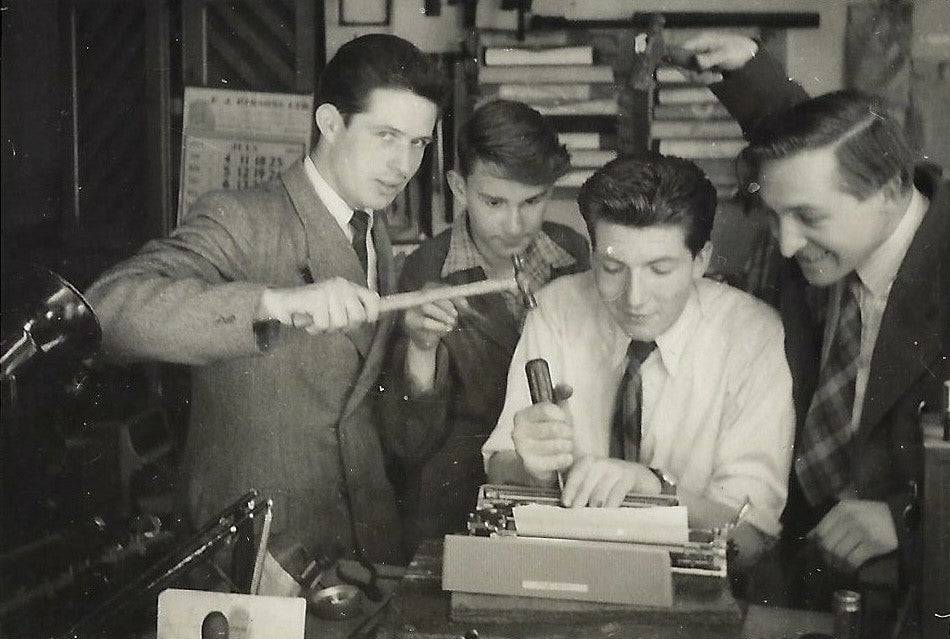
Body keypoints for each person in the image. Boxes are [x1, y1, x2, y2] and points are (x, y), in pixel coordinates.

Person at [84, 34, 447, 573]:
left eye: (418, 143)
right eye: (386, 135)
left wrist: (419, 350)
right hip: (257, 556)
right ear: (329, 122)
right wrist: (272, 302)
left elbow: (367, 421)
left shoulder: (376, 232)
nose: (403, 164)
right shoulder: (243, 218)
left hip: (361, 554)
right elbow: (105, 313)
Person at [683, 33, 950, 610]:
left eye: (807, 218)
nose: (785, 245)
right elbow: (818, 146)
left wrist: (911, 519)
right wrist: (750, 72)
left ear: (888, 191)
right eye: (777, 216)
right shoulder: (851, 204)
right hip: (806, 570)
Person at [482, 153, 796, 566]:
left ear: (700, 260)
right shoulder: (556, 308)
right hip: (565, 568)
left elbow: (752, 539)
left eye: (660, 270)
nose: (634, 298)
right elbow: (500, 469)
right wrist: (531, 469)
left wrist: (656, 491)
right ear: (593, 254)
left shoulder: (754, 336)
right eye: (612, 267)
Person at [377, 99, 589, 555]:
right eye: (493, 202)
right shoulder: (423, 272)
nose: (514, 225)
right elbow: (406, 444)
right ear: (458, 187)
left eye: (533, 201)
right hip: (456, 506)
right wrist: (420, 348)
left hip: (561, 499)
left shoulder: (576, 256)